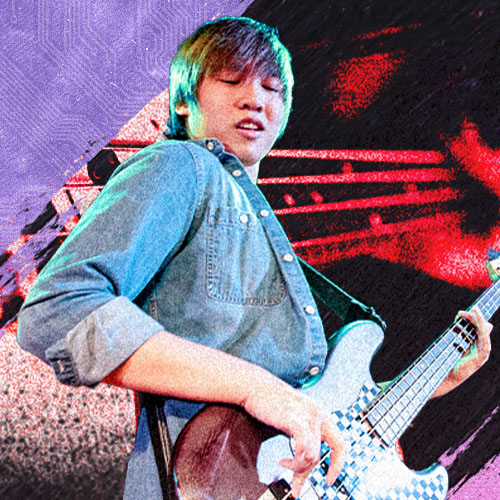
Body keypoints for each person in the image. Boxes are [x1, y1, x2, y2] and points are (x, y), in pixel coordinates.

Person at [17, 16, 492, 499]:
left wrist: (433, 382)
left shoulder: (254, 225)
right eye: (231, 80)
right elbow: (57, 310)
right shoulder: (182, 165)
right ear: (182, 100)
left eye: (271, 87)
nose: (254, 99)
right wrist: (255, 388)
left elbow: (310, 406)